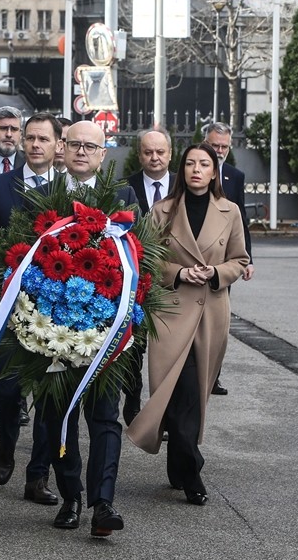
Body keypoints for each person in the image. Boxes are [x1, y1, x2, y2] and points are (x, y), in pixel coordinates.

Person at [127, 143, 249, 506]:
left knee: (195, 391)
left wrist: (215, 272)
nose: (197, 169)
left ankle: (180, 464)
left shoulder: (230, 211)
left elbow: (240, 260)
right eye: (191, 163)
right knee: (177, 392)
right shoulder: (162, 211)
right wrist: (180, 271)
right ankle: (192, 469)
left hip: (211, 312)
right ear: (182, 171)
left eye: (205, 164)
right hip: (171, 312)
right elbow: (146, 259)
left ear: (215, 172)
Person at [43, 119, 138, 536]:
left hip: (106, 330)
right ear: (62, 150)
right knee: (57, 416)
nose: (81, 152)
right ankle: (71, 498)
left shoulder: (124, 196)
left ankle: (103, 503)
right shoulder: (43, 197)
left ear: (103, 154)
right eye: (74, 144)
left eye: (90, 146)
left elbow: (140, 259)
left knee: (105, 418)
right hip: (52, 331)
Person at [0, 112, 64, 506]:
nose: (36, 145)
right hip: (8, 308)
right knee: (7, 391)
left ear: (58, 144)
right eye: (31, 138)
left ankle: (37, 475)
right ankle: (6, 440)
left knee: (49, 397)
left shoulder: (69, 188)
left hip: (58, 313)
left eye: (44, 139)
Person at [122, 128, 173, 423]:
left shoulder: (185, 186)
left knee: (168, 349)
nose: (154, 158)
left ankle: (165, 408)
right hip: (138, 279)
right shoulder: (124, 187)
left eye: (160, 152)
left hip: (177, 281)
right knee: (135, 347)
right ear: (139, 154)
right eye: (148, 152)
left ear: (170, 153)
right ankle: (132, 401)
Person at [203, 122, 254, 396]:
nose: (219, 151)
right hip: (196, 256)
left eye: (224, 146)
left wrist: (248, 259)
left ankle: (213, 378)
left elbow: (242, 220)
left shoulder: (235, 176)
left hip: (224, 263)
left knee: (220, 320)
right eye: (214, 145)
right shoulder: (192, 170)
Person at [0, 105, 23, 173]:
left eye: (14, 129)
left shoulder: (30, 162)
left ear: (20, 134)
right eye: (3, 128)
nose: (9, 134)